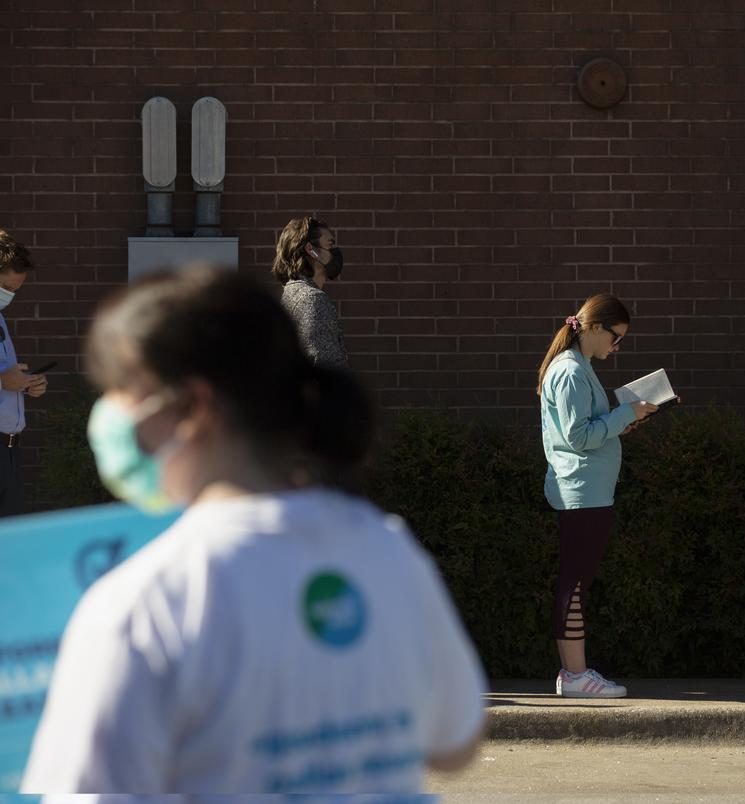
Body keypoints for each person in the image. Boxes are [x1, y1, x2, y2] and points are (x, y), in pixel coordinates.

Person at [21, 269, 485, 795]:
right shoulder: (387, 549)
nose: (108, 418)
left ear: (194, 407)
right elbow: (455, 742)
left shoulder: (144, 605)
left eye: (120, 392)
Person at [537, 293, 656, 698]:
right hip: (581, 492)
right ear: (592, 327)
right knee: (574, 584)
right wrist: (626, 414)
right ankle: (574, 675)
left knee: (577, 583)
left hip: (588, 490)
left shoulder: (578, 367)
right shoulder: (570, 371)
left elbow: (586, 429)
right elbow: (578, 436)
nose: (616, 346)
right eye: (616, 337)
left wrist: (621, 422)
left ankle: (574, 673)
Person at [0, 230, 47, 516]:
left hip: (9, 448)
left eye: (15, 290)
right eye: (5, 287)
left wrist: (27, 384)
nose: (9, 296)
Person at [272, 215, 349, 369]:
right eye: (330, 245)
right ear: (311, 250)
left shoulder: (291, 293)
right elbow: (326, 371)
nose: (335, 252)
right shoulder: (312, 300)